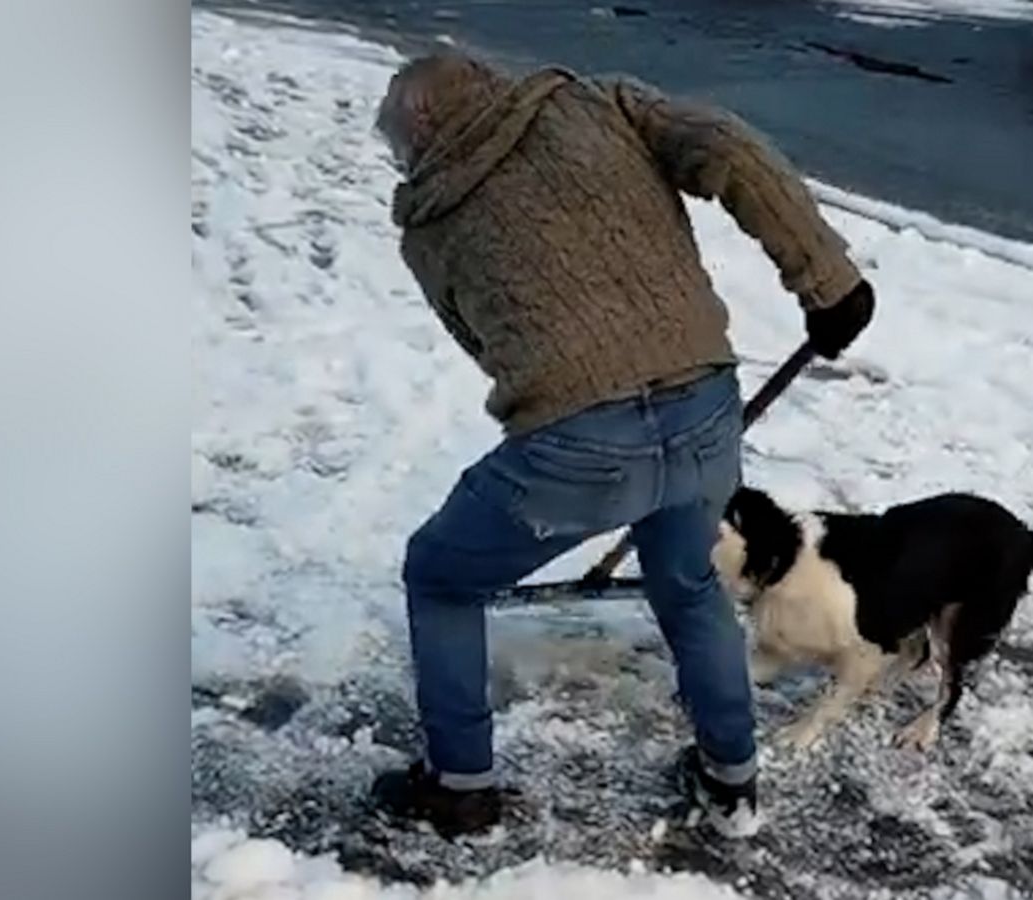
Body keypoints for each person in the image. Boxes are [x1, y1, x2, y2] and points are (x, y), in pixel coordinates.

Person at [368, 52, 875, 839]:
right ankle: (731, 780)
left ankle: (460, 785)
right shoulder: (600, 104)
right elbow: (730, 148)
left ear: (421, 133)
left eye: (400, 150)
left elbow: (484, 340)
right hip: (705, 405)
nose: (404, 164)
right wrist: (829, 281)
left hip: (577, 448)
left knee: (440, 577)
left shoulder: (430, 221)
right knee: (687, 581)